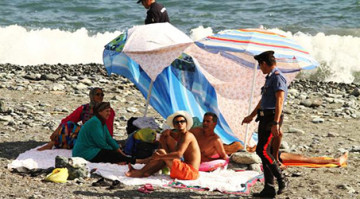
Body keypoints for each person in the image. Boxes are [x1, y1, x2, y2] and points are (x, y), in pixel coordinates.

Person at [242, 51, 288, 198]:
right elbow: (263, 101)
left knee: (262, 151)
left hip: (271, 118)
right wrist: (252, 115)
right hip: (264, 117)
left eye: (260, 65)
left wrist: (276, 123)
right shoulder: (269, 78)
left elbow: (279, 101)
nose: (260, 68)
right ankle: (269, 188)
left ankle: (281, 179)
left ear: (264, 63)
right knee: (264, 152)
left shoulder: (277, 77)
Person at [126, 111, 201, 180]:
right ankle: (146, 172)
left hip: (190, 172)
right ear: (174, 125)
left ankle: (140, 172)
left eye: (182, 121)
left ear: (186, 123)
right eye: (177, 122)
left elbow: (179, 155)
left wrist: (160, 156)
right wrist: (164, 139)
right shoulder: (180, 135)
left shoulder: (187, 135)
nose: (179, 124)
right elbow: (168, 150)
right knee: (164, 149)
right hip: (185, 169)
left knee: (161, 152)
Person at [38, 87, 115, 151]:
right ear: (91, 96)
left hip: (98, 136)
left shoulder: (107, 110)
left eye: (102, 95)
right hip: (85, 134)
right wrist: (57, 131)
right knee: (68, 125)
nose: (100, 96)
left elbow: (109, 130)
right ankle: (51, 144)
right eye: (98, 94)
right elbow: (68, 120)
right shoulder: (84, 108)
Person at [224, 142, 349, 168]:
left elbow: (250, 150)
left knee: (301, 157)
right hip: (269, 155)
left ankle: (333, 160)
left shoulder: (229, 146)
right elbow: (249, 152)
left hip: (267, 153)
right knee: (303, 159)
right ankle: (335, 161)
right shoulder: (232, 147)